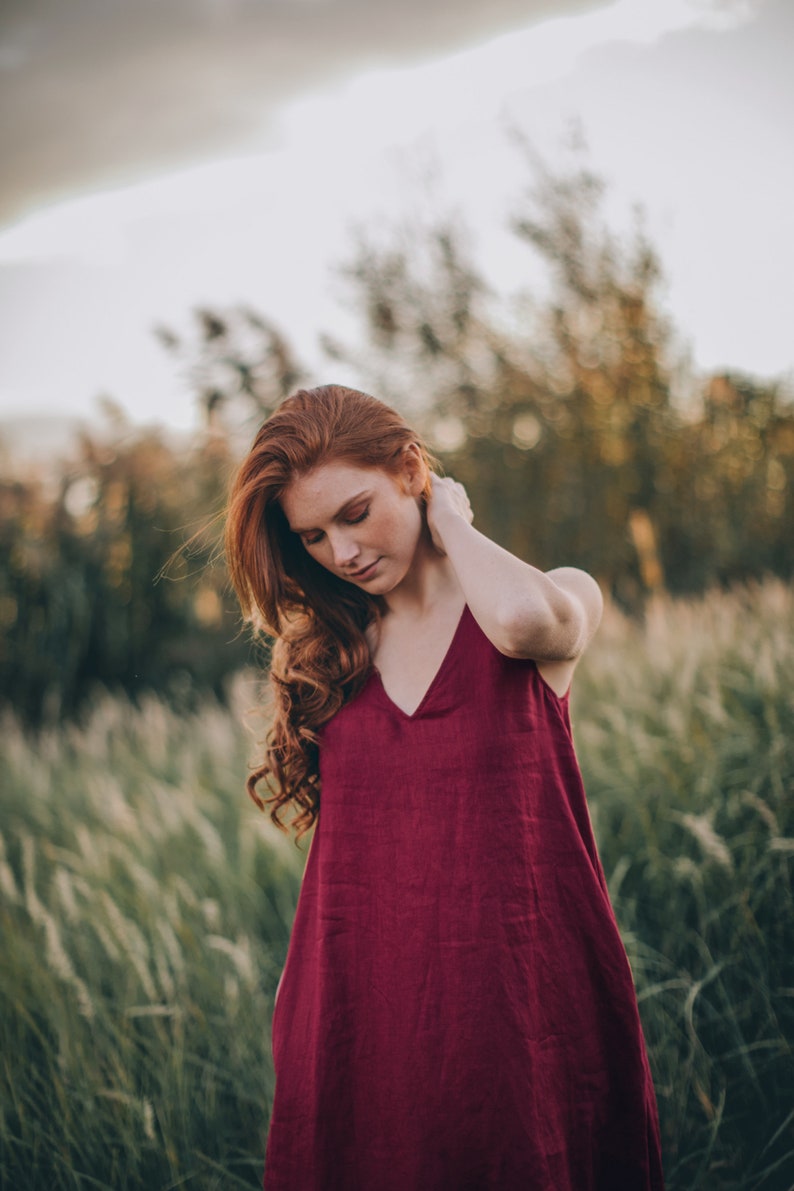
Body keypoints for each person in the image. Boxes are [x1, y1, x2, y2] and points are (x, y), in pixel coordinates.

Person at [224, 383, 665, 1191]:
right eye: (314, 536)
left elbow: (528, 624)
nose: (342, 553)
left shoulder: (547, 596)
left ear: (410, 470)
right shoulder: (330, 652)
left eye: (356, 512)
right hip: (362, 1003)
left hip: (517, 998)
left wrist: (452, 521)